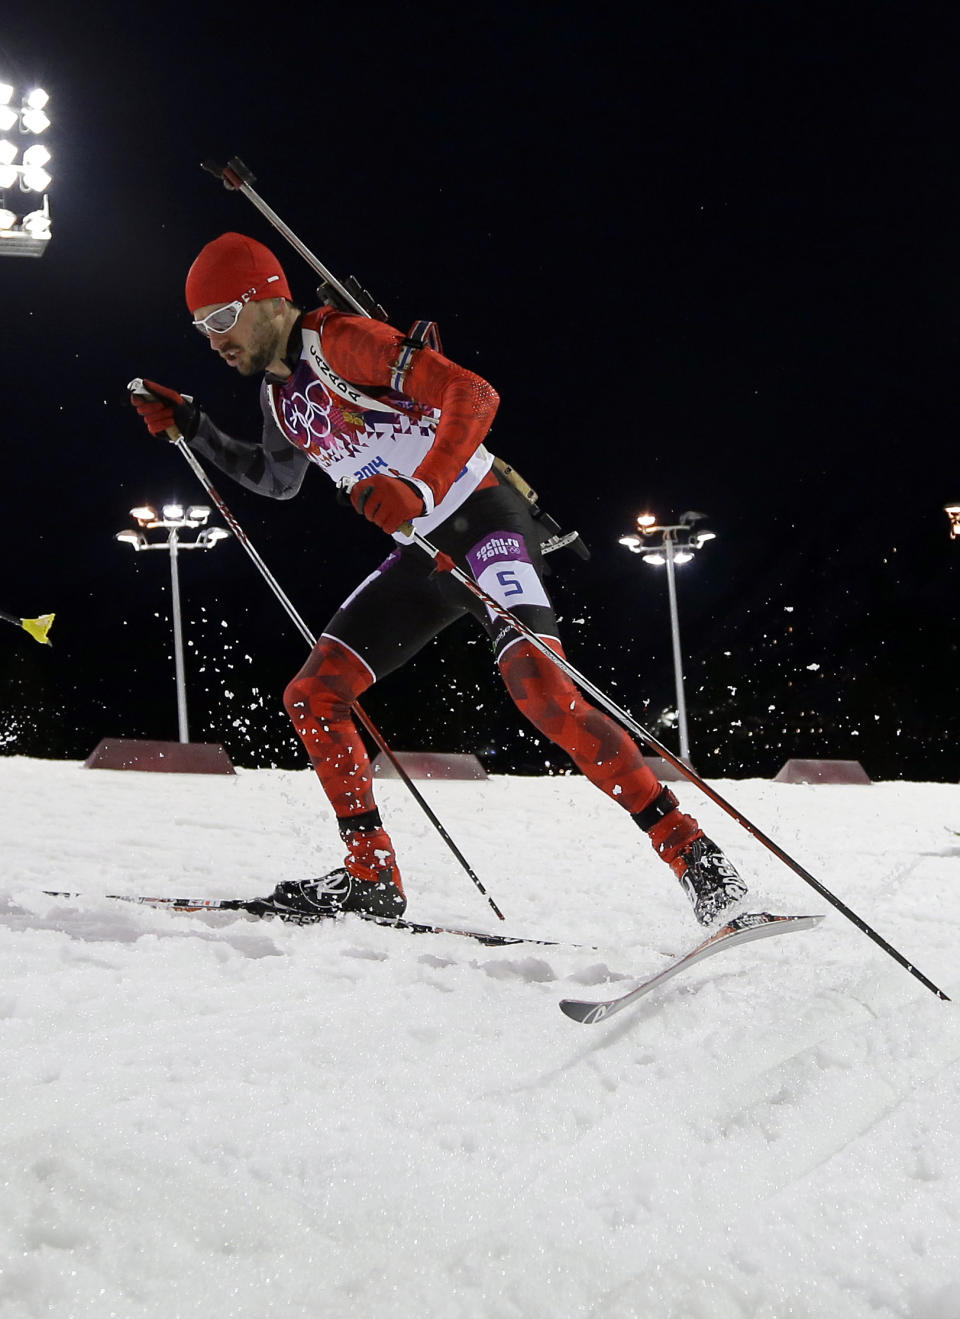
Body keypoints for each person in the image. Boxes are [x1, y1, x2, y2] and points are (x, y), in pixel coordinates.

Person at [131, 231, 748, 926]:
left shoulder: (339, 342)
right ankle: (371, 876)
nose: (212, 340)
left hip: (485, 524)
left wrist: (421, 490)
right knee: (313, 694)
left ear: (267, 298)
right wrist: (196, 426)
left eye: (220, 319)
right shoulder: (280, 399)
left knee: (543, 692)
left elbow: (472, 392)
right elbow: (275, 480)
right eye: (199, 326)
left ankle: (696, 856)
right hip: (423, 554)